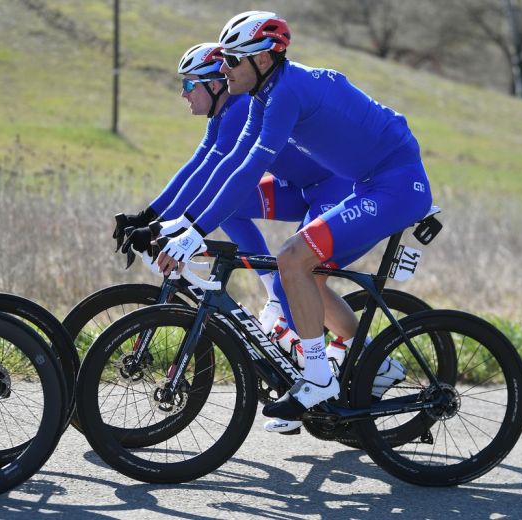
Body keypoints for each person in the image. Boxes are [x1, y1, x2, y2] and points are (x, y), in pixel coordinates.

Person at [157, 11, 432, 427]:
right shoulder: (264, 94)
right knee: (305, 276)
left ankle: (317, 376)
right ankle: (360, 366)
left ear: (262, 59)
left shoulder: (287, 92)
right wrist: (186, 223)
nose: (223, 68)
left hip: (395, 186)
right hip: (369, 184)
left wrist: (194, 231)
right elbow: (233, 163)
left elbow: (251, 169)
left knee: (291, 259)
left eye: (231, 60)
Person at [117, 43, 354, 357]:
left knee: (292, 278)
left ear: (214, 86)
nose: (183, 93)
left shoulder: (240, 109)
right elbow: (197, 166)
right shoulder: (223, 113)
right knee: (231, 208)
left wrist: (167, 225)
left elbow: (215, 172)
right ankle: (278, 299)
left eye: (189, 84)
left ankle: (326, 357)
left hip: (332, 188)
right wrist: (149, 216)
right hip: (300, 187)